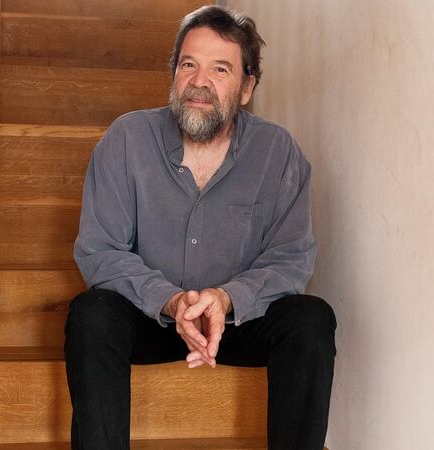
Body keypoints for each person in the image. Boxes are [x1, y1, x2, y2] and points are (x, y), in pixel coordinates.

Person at [65, 5, 337, 450]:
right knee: (90, 315)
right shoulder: (127, 139)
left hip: (236, 320)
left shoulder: (277, 151)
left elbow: (290, 259)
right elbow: (100, 251)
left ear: (247, 86)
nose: (199, 81)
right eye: (188, 64)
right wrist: (170, 301)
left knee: (311, 320)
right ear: (173, 74)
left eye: (220, 69)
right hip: (148, 316)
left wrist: (225, 298)